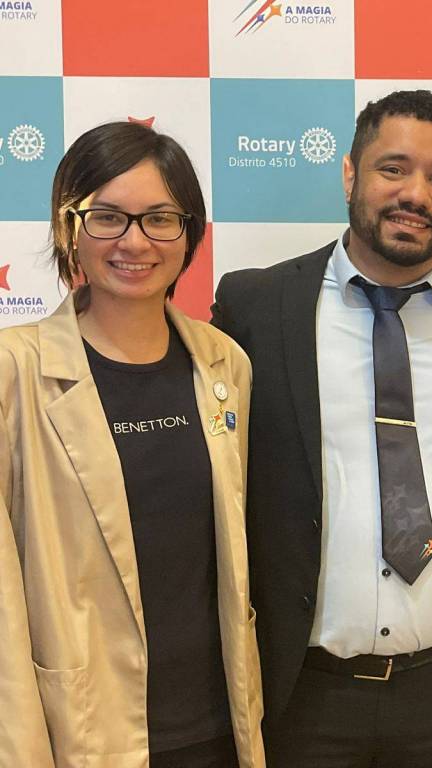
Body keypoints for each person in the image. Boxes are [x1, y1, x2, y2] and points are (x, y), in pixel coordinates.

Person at [211, 90, 432, 767]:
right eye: (393, 169)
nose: (415, 194)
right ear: (349, 174)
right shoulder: (256, 308)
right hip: (301, 692)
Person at [0, 122, 264, 768]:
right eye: (108, 217)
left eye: (160, 219)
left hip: (217, 728)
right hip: (83, 733)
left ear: (190, 233)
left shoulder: (223, 364)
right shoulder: (15, 372)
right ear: (69, 228)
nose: (135, 241)